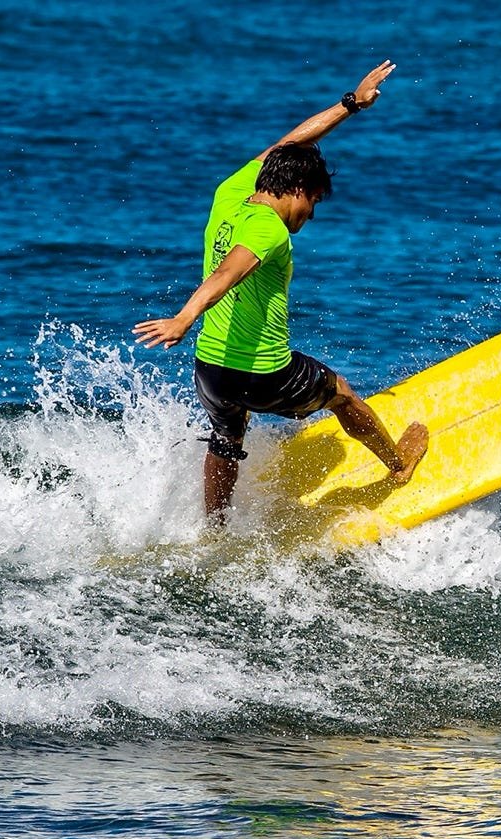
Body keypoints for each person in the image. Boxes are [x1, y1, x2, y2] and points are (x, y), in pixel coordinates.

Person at [133, 60, 428, 522]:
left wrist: (351, 104)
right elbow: (228, 272)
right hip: (264, 374)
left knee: (226, 439)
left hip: (211, 370)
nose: (310, 215)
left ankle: (215, 528)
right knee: (342, 394)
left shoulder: (230, 193)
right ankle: (399, 465)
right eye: (313, 201)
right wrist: (183, 318)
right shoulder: (269, 229)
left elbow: (288, 144)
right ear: (297, 188)